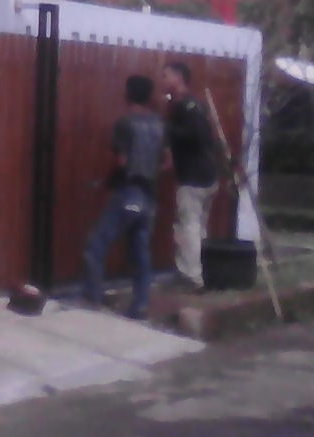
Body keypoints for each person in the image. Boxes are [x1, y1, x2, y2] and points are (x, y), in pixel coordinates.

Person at [83, 74, 166, 319]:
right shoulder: (159, 124)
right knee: (140, 251)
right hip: (151, 196)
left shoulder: (125, 123)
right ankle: (140, 305)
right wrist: (150, 174)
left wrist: (107, 182)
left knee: (96, 244)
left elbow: (122, 162)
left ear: (127, 94)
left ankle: (92, 298)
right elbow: (167, 161)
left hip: (130, 191)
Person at [161, 59, 219, 293]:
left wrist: (168, 129)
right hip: (207, 175)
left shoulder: (186, 106)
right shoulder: (194, 105)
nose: (163, 80)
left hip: (194, 178)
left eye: (166, 75)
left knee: (189, 227)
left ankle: (191, 277)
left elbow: (196, 136)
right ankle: (199, 271)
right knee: (198, 227)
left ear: (178, 77)